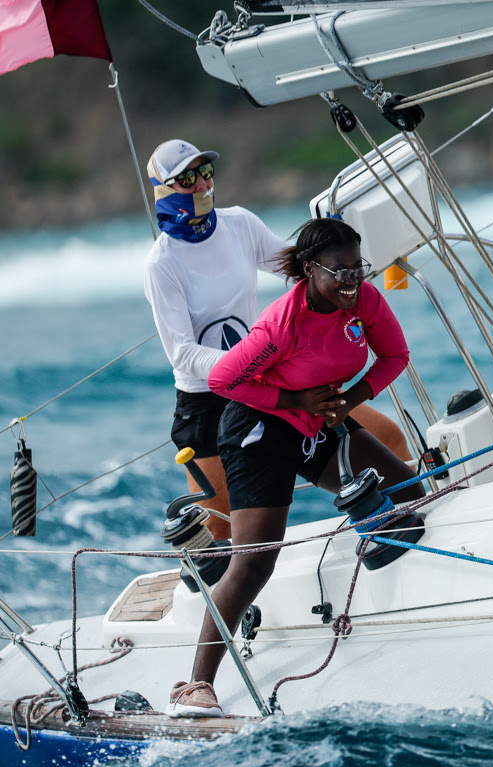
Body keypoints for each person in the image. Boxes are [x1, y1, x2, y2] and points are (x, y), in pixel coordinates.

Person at [165, 218, 425, 718]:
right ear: (310, 270)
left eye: (357, 267)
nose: (351, 280)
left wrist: (349, 400)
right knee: (256, 559)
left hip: (315, 422)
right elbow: (222, 379)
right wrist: (294, 397)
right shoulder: (282, 323)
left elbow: (395, 355)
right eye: (339, 271)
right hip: (257, 433)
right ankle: (197, 683)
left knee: (411, 490)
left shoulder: (364, 299)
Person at [143, 140, 414, 540]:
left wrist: (337, 263)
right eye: (186, 177)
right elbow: (181, 353)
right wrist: (244, 364)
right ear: (165, 189)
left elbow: (299, 268)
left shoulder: (239, 224)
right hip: (208, 400)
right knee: (220, 533)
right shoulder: (162, 262)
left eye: (205, 172)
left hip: (272, 377)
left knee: (388, 439)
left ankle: (406, 527)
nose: (201, 183)